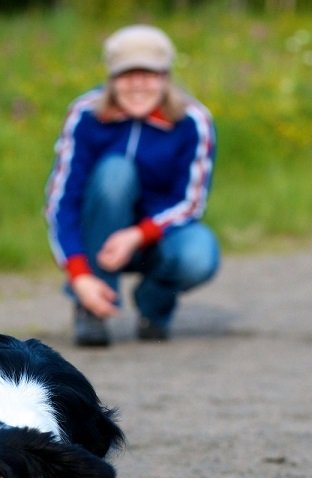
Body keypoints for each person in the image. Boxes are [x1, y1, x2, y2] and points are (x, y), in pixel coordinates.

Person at [45, 24, 219, 346]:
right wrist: (78, 273)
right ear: (111, 79)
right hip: (99, 234)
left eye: (150, 74)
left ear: (166, 77)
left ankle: (154, 306)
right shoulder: (84, 115)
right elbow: (61, 201)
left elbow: (191, 200)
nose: (138, 84)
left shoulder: (193, 120)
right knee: (115, 172)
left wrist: (139, 234)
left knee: (199, 255)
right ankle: (92, 306)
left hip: (158, 237)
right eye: (127, 75)